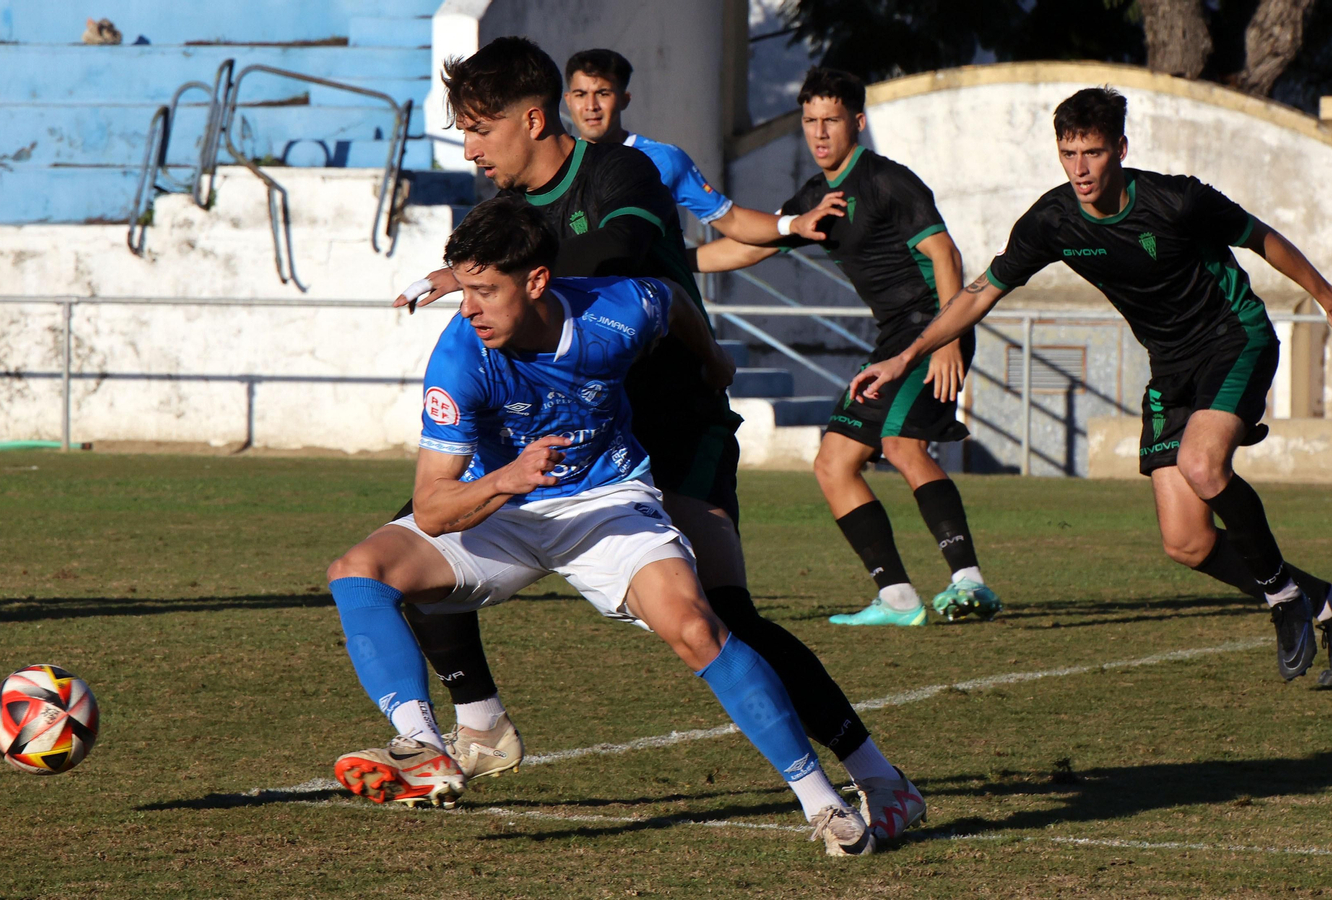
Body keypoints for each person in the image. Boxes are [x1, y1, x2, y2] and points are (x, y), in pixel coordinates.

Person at [392, 37, 926, 841]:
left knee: (724, 618)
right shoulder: (504, 221)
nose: (468, 149)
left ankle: (879, 776)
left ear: (532, 119)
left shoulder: (622, 175)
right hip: (585, 433)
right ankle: (482, 724)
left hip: (677, 420)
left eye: (478, 129)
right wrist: (476, 272)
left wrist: (490, 270)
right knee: (419, 537)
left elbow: (615, 261)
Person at [327, 196, 892, 857]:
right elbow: (430, 507)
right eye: (464, 289)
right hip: (503, 511)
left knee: (695, 625)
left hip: (606, 503)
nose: (469, 308)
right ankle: (423, 745)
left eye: (484, 290)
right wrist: (506, 480)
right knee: (356, 571)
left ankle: (822, 805)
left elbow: (672, 301)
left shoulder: (617, 310)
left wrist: (710, 359)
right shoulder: (461, 356)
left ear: (537, 281)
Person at [849, 87, 1332, 685]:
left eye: (1091, 152)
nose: (1079, 168)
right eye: (1068, 154)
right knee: (1187, 543)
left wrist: (1330, 301)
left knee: (1202, 464)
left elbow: (1261, 237)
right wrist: (908, 353)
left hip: (1233, 339)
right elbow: (980, 291)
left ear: (1119, 147)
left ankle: (1283, 597)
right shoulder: (1052, 220)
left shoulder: (1177, 198)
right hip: (1169, 367)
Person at [688, 66, 1000, 627]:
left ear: (856, 121)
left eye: (830, 119)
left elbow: (946, 255)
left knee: (903, 445)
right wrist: (673, 261)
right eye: (809, 120)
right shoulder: (816, 197)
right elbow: (745, 250)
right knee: (834, 463)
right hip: (893, 336)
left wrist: (949, 339)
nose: (818, 132)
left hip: (931, 326)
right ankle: (900, 600)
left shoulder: (886, 180)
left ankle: (969, 583)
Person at [563, 48, 835, 246]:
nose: (590, 106)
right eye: (580, 94)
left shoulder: (664, 159)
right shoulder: (553, 159)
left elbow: (733, 221)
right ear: (567, 100)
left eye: (602, 93)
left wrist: (793, 223)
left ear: (624, 99)